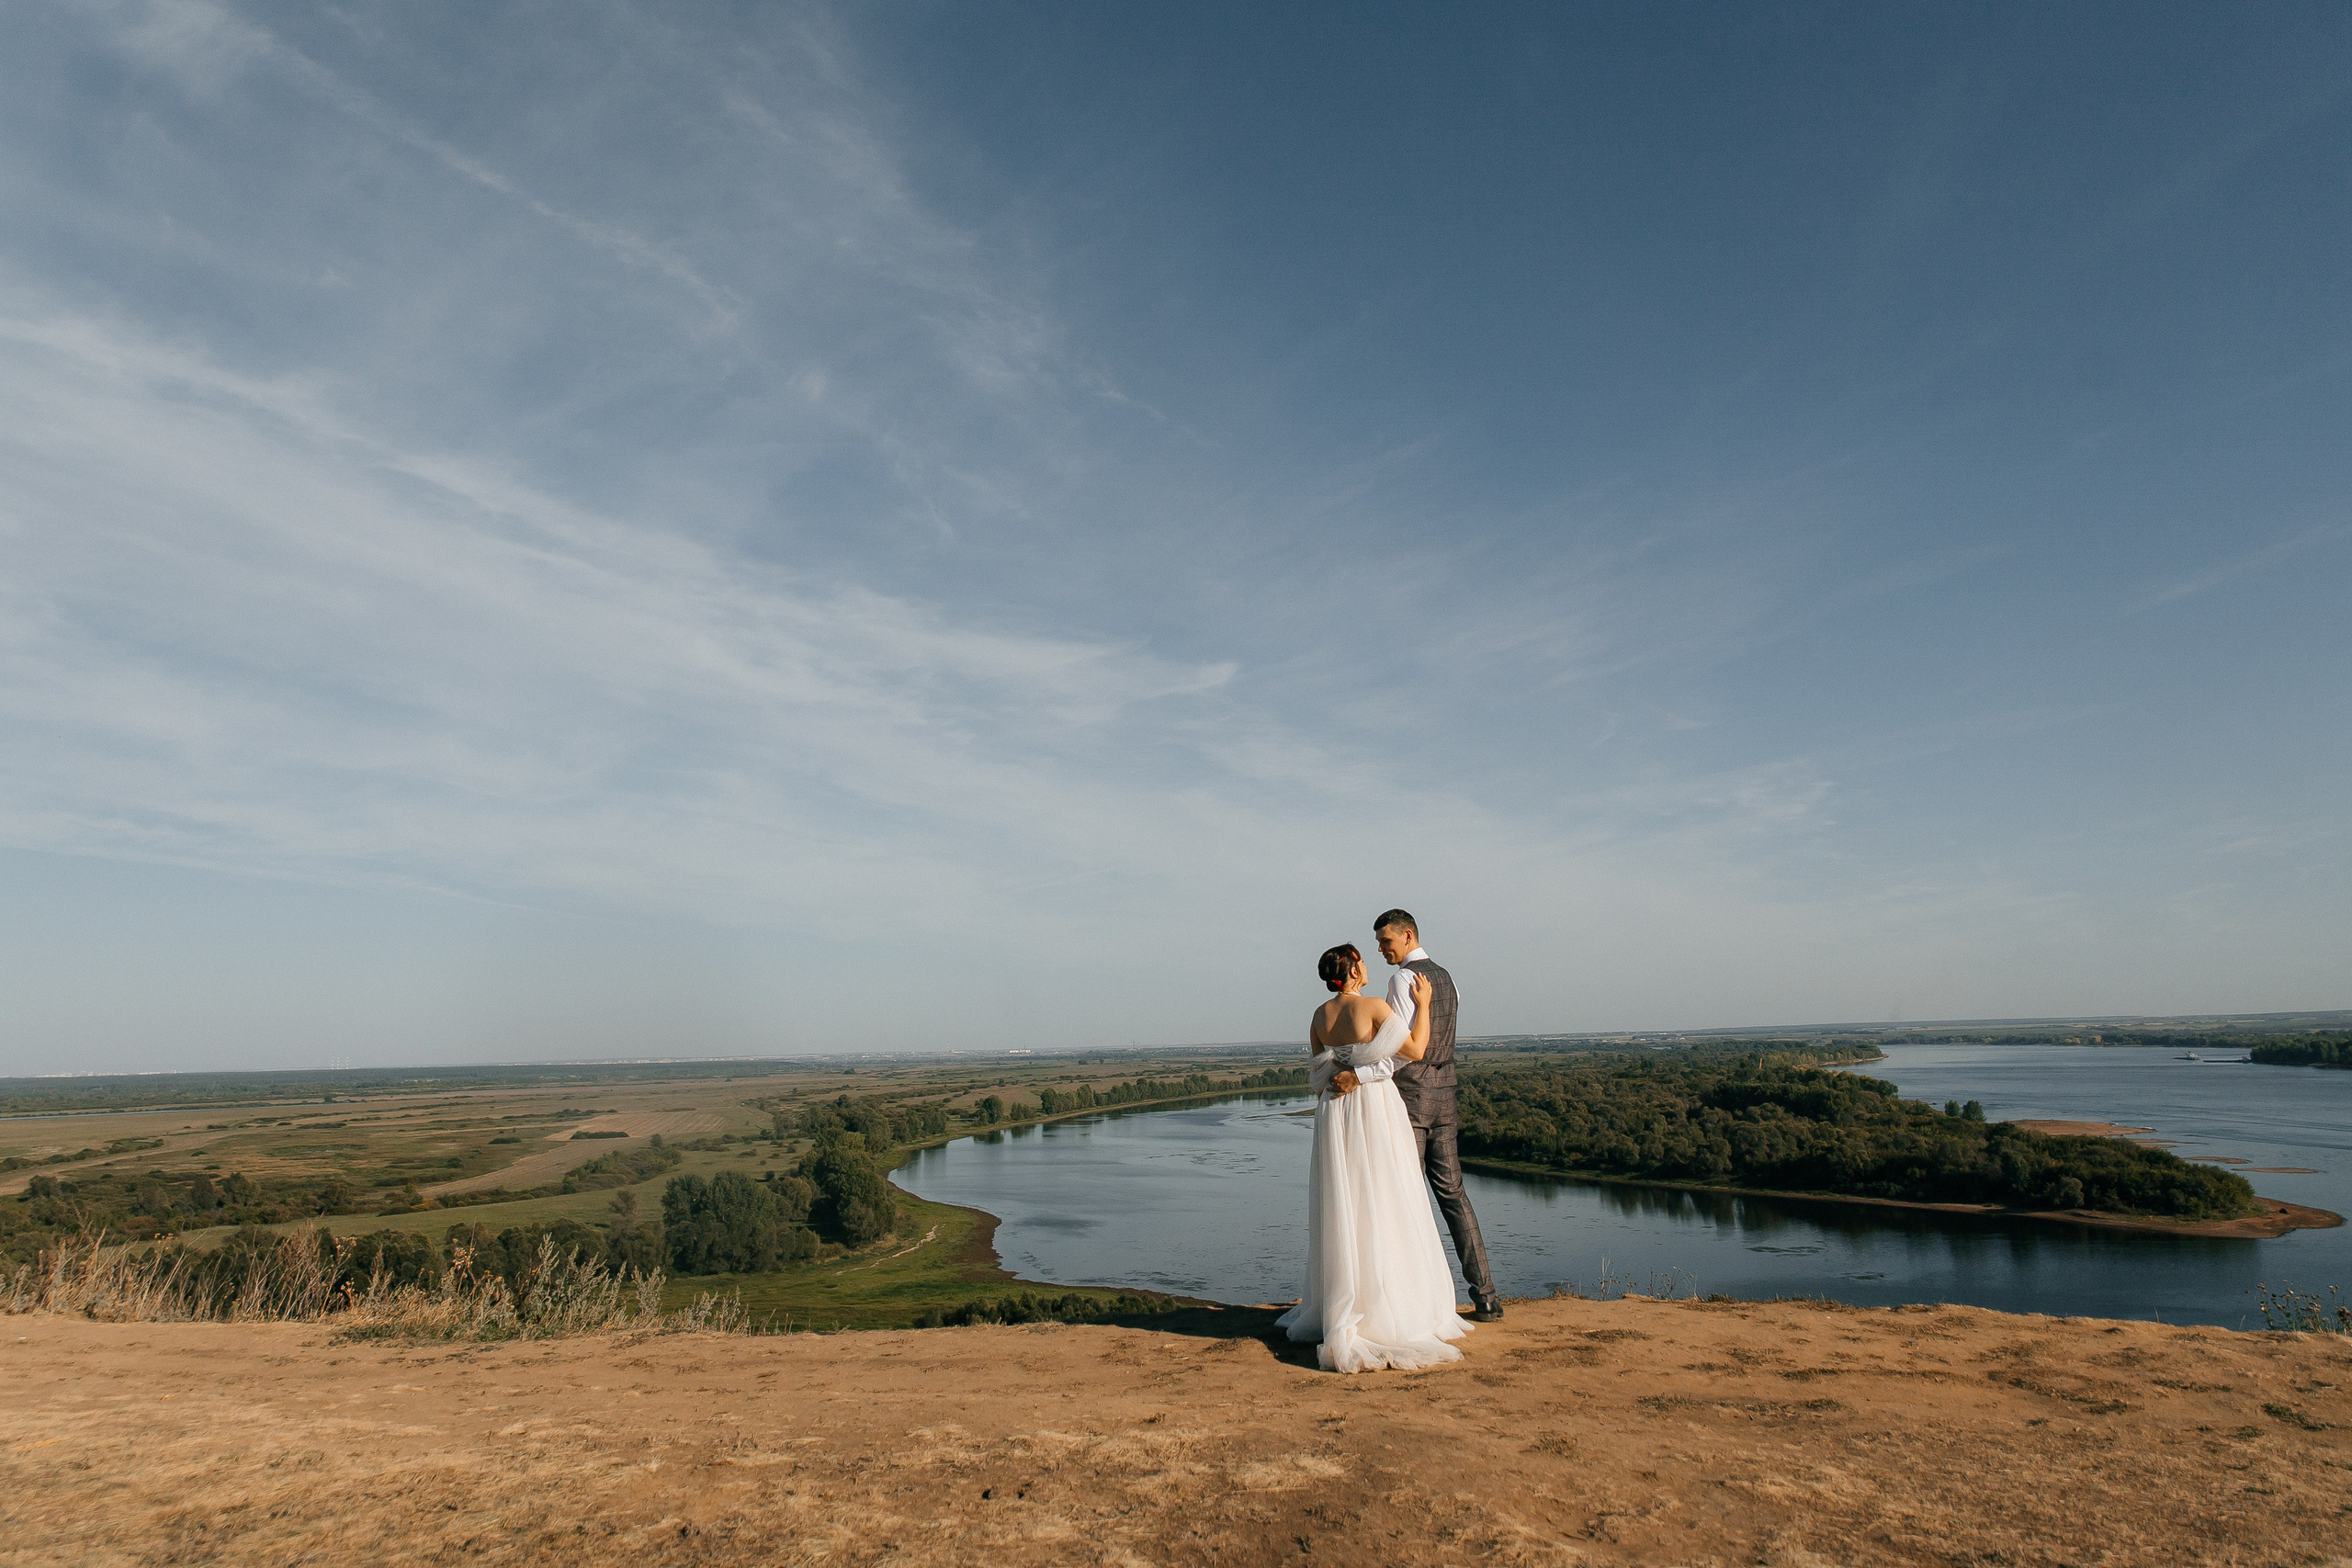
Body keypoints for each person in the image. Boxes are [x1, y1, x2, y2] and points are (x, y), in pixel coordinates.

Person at [1276, 943, 1472, 1372]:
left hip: (1334, 1112)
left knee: (1343, 1199)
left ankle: (1343, 1298)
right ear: (1353, 970)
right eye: (1362, 960)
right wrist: (1423, 1005)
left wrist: (1343, 1074)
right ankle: (1390, 1305)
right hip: (1373, 1107)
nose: (1368, 963)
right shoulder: (1374, 1008)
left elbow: (1318, 1074)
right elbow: (1415, 1050)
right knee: (1385, 1195)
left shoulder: (1319, 1016)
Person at [1328, 909, 1502, 1321]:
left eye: (1385, 941)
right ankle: (1486, 1297)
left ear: (1407, 936)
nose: (1380, 949)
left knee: (1401, 1196)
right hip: (1446, 1096)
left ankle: (1409, 1305)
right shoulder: (1448, 979)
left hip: (1410, 1099)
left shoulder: (1402, 980)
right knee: (1454, 1194)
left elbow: (1400, 1051)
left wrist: (1358, 1075)